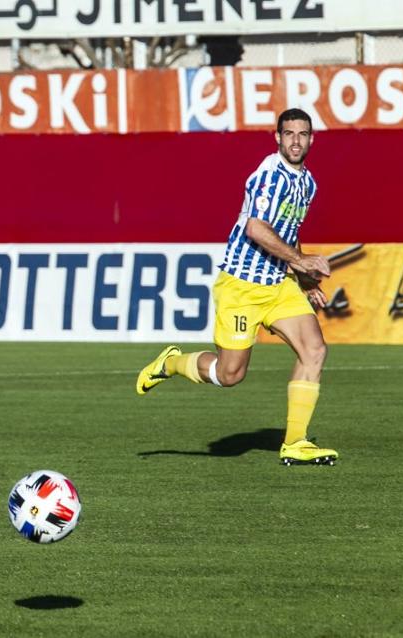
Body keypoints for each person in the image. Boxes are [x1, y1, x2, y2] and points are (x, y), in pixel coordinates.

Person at [136, 108, 336, 467]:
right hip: (241, 287)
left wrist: (302, 277)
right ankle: (171, 363)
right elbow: (256, 229)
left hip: (279, 285)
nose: (295, 140)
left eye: (302, 134)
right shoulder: (268, 176)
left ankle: (295, 442)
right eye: (288, 134)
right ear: (277, 138)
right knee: (230, 374)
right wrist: (303, 261)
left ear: (311, 139)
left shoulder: (308, 183)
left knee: (315, 350)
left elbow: (287, 233)